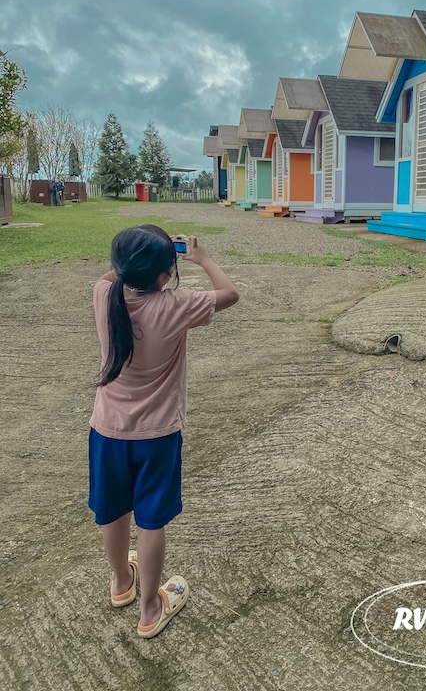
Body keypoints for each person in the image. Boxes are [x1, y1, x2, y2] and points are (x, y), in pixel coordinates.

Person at [88, 224, 239, 638]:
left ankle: (121, 582)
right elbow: (230, 294)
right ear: (165, 274)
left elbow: (111, 274)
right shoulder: (176, 306)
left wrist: (137, 257)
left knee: (113, 510)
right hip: (157, 436)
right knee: (151, 522)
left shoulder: (104, 294)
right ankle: (151, 607)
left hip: (108, 431)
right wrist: (202, 258)